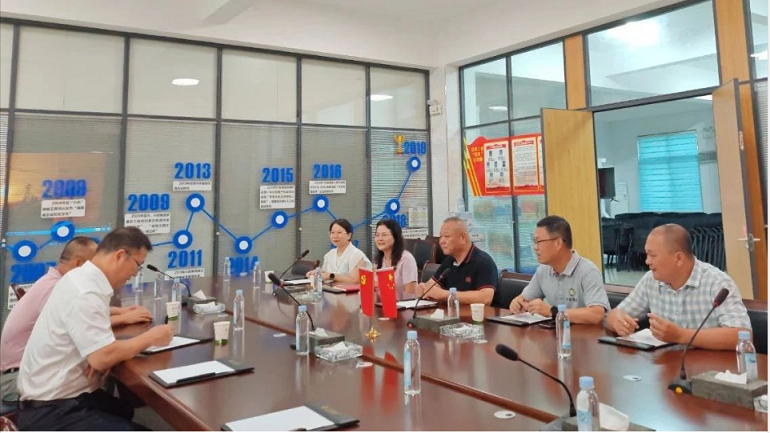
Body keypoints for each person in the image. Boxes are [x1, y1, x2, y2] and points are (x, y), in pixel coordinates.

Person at [16, 227, 174, 430]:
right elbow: (101, 358)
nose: (136, 273)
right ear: (120, 255)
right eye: (138, 265)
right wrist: (152, 337)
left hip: (55, 396)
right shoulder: (86, 291)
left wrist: (102, 352)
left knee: (123, 409)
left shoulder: (81, 277)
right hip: (51, 410)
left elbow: (99, 350)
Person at [0, 237, 152, 401]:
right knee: (103, 377)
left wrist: (120, 312)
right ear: (79, 263)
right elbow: (80, 322)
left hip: (33, 370)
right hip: (24, 379)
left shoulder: (56, 281)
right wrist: (126, 319)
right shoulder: (61, 287)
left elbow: (84, 315)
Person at [605, 224, 751, 350]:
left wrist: (680, 335)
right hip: (666, 364)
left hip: (711, 367)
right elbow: (612, 315)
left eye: (653, 256)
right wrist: (617, 322)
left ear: (679, 258)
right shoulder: (651, 280)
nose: (647, 262)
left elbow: (741, 335)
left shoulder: (717, 283)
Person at [508, 216, 609, 324]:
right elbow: (524, 299)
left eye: (539, 241)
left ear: (558, 243)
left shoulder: (588, 271)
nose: (535, 247)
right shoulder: (543, 271)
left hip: (589, 333)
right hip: (558, 332)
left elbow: (596, 314)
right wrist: (517, 303)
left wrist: (552, 311)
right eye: (534, 242)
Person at [416, 217, 497, 305]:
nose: (441, 241)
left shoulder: (484, 262)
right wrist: (423, 288)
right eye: (441, 236)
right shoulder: (449, 260)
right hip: (453, 311)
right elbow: (432, 285)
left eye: (446, 236)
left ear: (463, 238)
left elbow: (486, 298)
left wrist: (445, 294)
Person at [308, 219, 371, 284]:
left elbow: (355, 281)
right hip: (329, 289)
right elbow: (325, 274)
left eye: (339, 233)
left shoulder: (356, 254)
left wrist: (331, 276)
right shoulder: (329, 254)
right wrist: (316, 273)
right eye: (332, 232)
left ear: (349, 235)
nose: (335, 236)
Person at [373, 219, 418, 293]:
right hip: (382, 300)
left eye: (384, 235)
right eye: (377, 235)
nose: (380, 239)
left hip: (402, 300)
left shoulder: (406, 259)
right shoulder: (379, 259)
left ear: (395, 237)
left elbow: (410, 294)